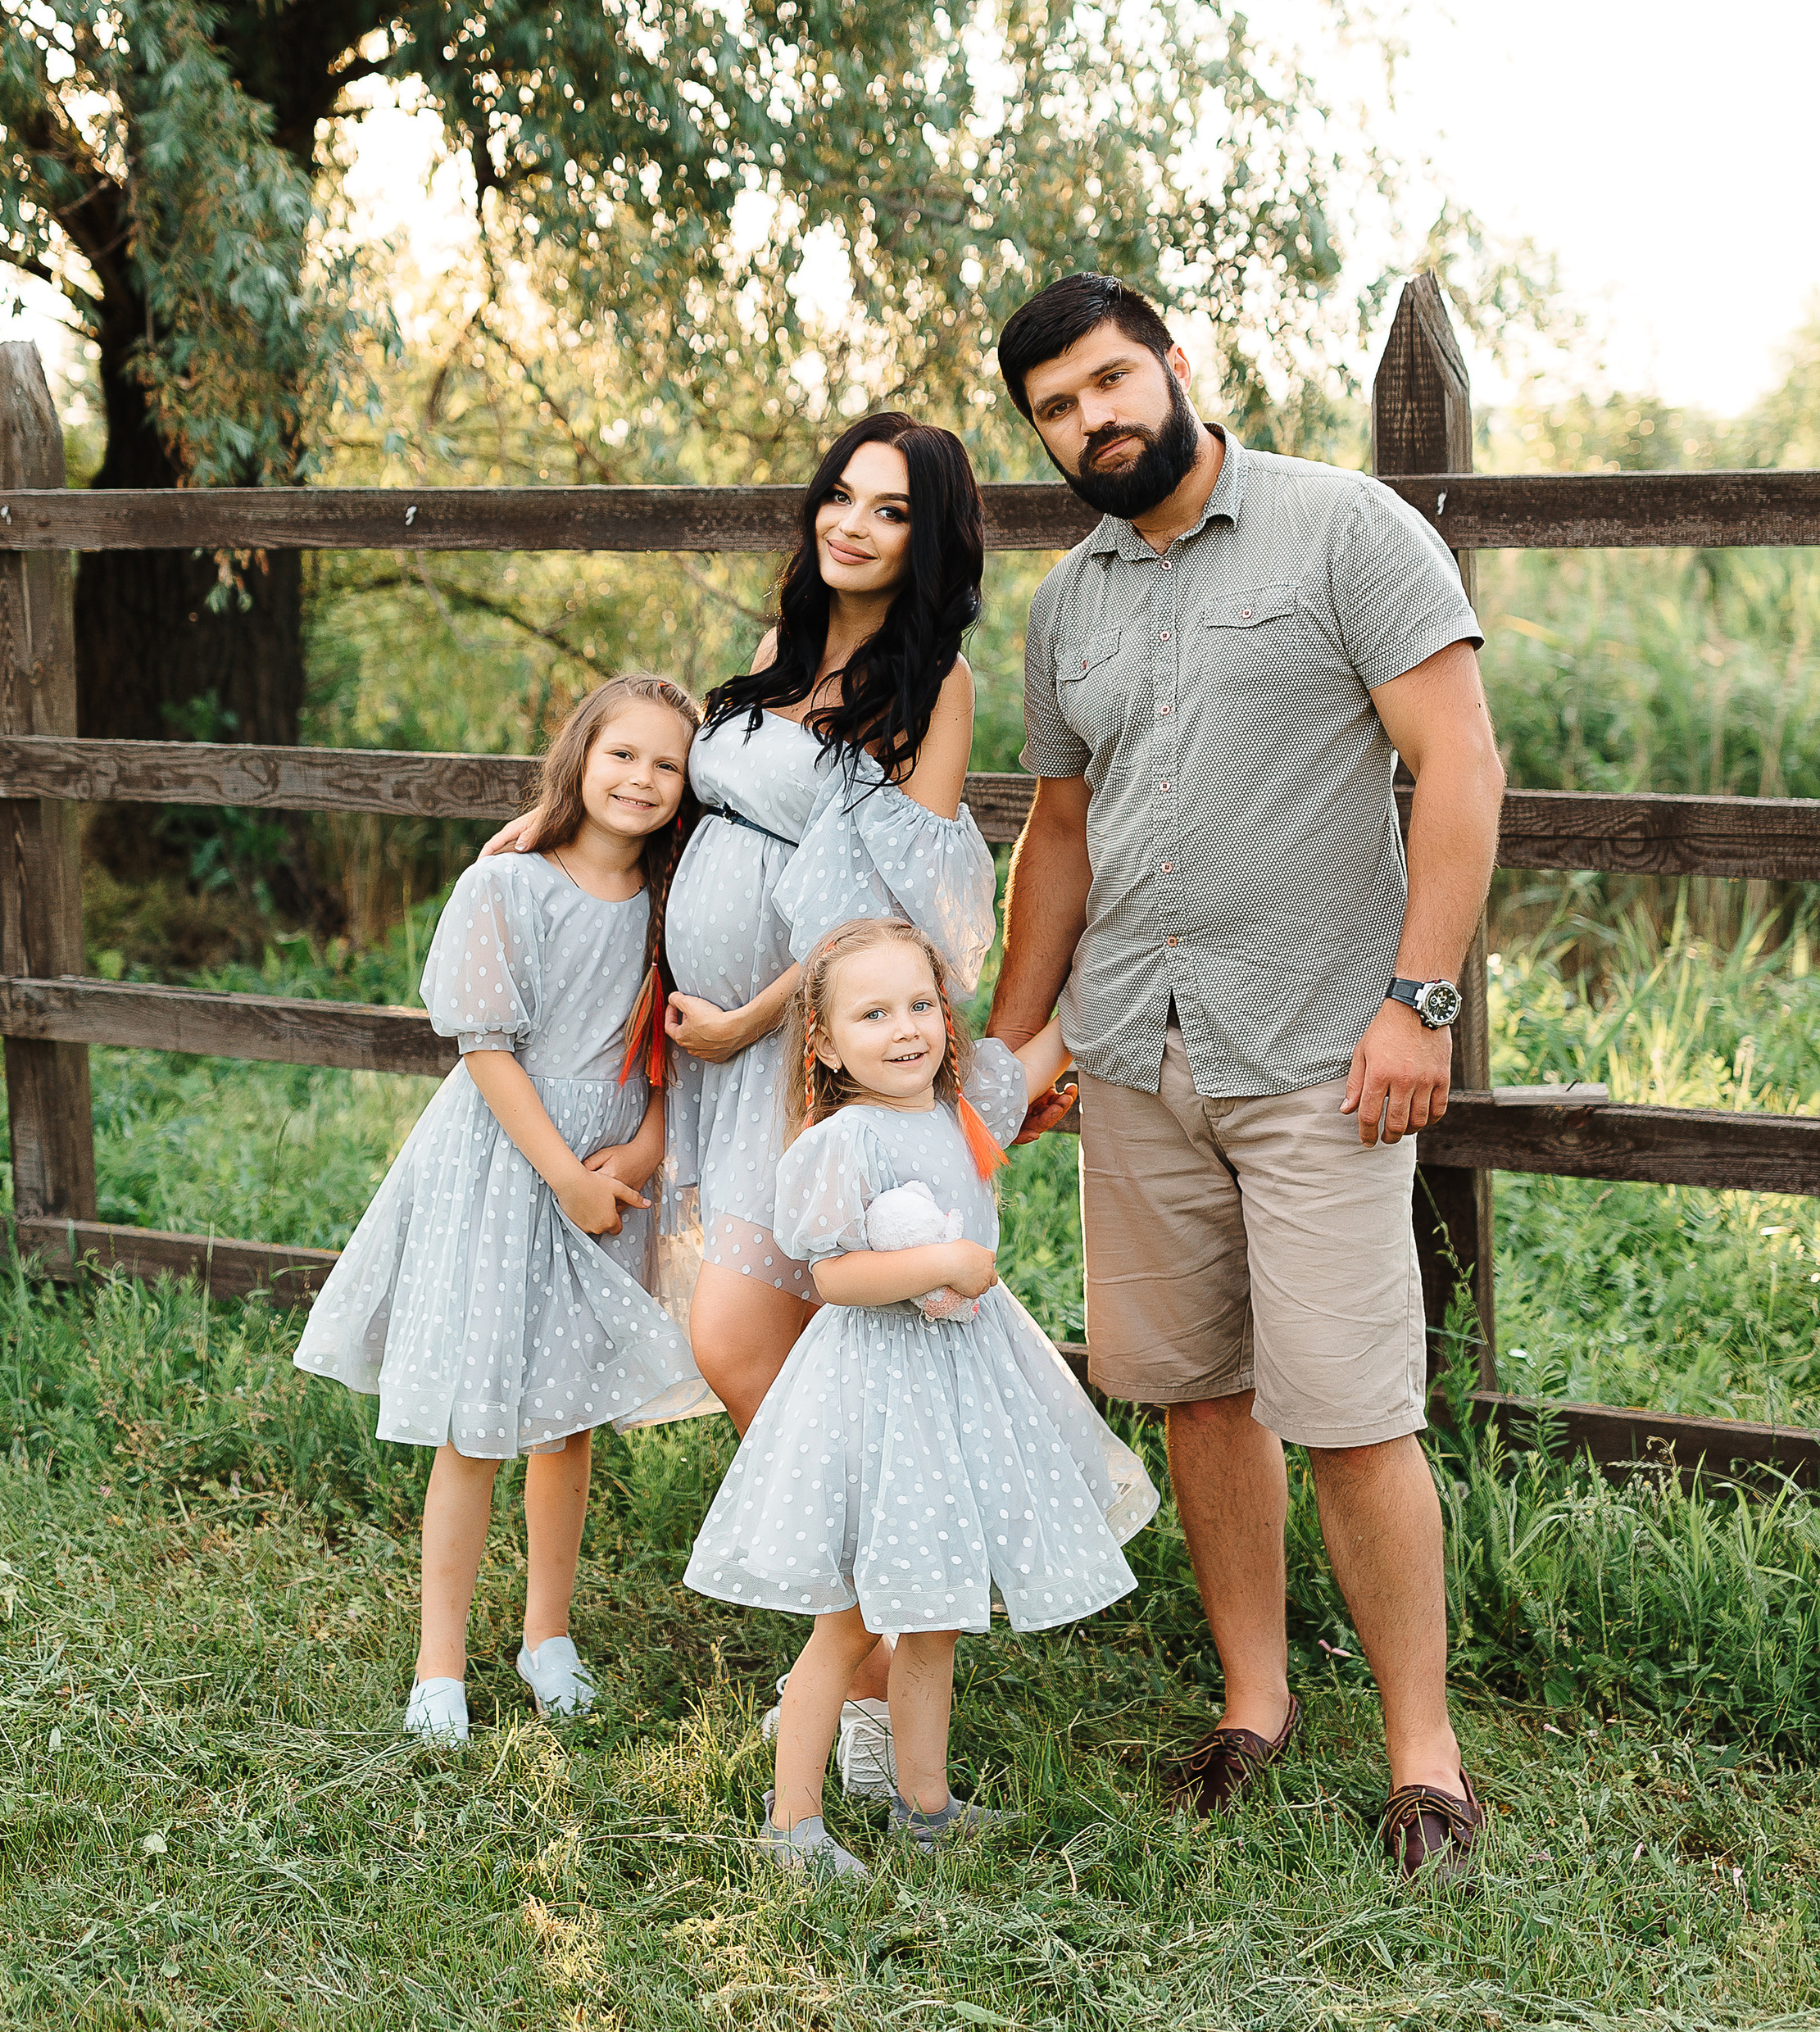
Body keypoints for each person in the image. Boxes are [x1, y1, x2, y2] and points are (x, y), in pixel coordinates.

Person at [984, 273, 1506, 1879]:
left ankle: (1424, 1758)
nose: (1091, 419)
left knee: (1349, 1411)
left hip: (1315, 1055)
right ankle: (1252, 1699)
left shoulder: (1340, 531)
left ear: (1173, 365)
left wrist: (1416, 1001)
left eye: (1106, 381)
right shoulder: (1064, 605)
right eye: (1056, 406)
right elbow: (1058, 837)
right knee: (1195, 1391)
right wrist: (1013, 1046)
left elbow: (1459, 764)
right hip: (1136, 1056)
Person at [488, 413, 998, 1794]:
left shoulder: (928, 688)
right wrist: (548, 827)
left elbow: (894, 908)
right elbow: (666, 815)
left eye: (890, 509)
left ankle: (879, 1644)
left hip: (800, 1067)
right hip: (706, 1070)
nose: (853, 522)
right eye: (841, 494)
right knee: (773, 1354)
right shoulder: (768, 667)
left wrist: (760, 1014)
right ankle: (878, 1626)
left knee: (743, 1340)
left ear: (929, 533)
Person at [685, 918, 1158, 1877]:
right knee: (853, 1616)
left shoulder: (956, 1110)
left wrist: (1117, 941)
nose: (904, 1030)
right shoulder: (840, 1141)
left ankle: (925, 1804)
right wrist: (941, 1261)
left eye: (920, 1006)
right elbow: (830, 1277)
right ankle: (792, 1824)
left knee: (935, 1610)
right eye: (872, 1014)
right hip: (876, 1395)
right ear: (822, 1041)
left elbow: (1040, 1049)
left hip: (962, 1386)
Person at [292, 674, 703, 1746]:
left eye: (667, 763)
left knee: (567, 1420)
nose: (642, 778)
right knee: (476, 1421)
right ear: (581, 756)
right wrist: (562, 1171)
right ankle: (439, 1664)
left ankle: (547, 1634)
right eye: (623, 754)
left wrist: (647, 1142)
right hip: (506, 1160)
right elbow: (484, 1044)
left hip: (609, 1166)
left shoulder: (675, 899)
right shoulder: (511, 886)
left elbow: (665, 1045)